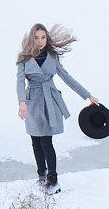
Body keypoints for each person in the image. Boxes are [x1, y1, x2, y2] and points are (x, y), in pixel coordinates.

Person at [15, 22, 100, 193]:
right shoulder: (24, 58)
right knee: (35, 141)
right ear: (32, 39)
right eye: (36, 37)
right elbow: (19, 82)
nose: (40, 41)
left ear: (47, 38)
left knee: (46, 141)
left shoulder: (53, 57)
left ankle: (52, 180)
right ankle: (41, 176)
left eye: (43, 37)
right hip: (32, 101)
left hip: (50, 100)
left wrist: (88, 95)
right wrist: (22, 103)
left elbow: (67, 77)